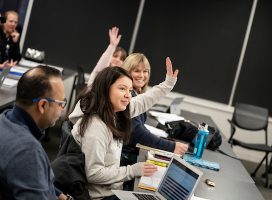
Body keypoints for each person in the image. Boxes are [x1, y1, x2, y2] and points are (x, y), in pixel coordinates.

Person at [69, 58, 178, 199]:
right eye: (122, 89)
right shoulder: (96, 126)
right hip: (100, 196)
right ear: (105, 89)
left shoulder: (114, 112)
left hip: (113, 188)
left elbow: (143, 100)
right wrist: (132, 170)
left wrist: (168, 83)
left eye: (130, 90)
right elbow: (94, 174)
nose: (128, 95)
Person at [0, 65, 69, 199]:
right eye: (60, 103)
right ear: (43, 105)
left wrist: (60, 195)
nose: (62, 109)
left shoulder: (5, 118)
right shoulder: (28, 151)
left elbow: (29, 178)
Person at [122, 53, 189, 155]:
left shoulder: (135, 93)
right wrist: (171, 146)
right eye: (137, 71)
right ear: (126, 72)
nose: (141, 75)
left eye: (145, 71)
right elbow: (137, 132)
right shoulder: (127, 97)